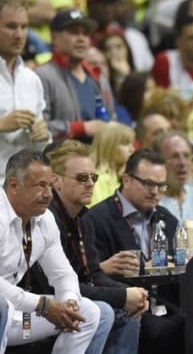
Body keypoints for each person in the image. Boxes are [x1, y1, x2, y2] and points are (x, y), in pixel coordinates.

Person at [30, 140, 147, 353]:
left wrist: (129, 292)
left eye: (94, 177)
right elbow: (53, 287)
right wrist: (121, 297)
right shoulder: (45, 219)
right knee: (101, 311)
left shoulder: (85, 220)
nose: (91, 184)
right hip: (38, 304)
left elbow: (92, 274)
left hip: (70, 297)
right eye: (82, 178)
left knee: (129, 307)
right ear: (56, 181)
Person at [81, 149, 184, 354]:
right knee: (161, 330)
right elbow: (89, 274)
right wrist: (105, 267)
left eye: (161, 186)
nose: (155, 192)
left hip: (165, 304)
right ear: (126, 180)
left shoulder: (167, 219)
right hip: (127, 306)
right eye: (148, 184)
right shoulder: (96, 220)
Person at [0, 149, 103, 353]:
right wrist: (43, 306)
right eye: (40, 186)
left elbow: (63, 274)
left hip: (15, 319)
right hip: (3, 311)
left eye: (50, 185)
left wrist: (69, 303)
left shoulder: (45, 219)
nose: (48, 194)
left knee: (87, 312)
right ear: (13, 186)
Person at [36, 9, 114, 143]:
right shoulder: (42, 76)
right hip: (59, 160)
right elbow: (38, 129)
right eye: (73, 32)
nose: (81, 38)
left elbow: (112, 118)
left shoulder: (99, 78)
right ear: (54, 37)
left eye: (85, 33)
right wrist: (79, 128)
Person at [0, 0, 49, 185]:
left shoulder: (32, 79)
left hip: (26, 185)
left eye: (24, 27)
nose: (19, 35)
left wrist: (43, 135)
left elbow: (41, 143)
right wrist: (2, 124)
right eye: (11, 26)